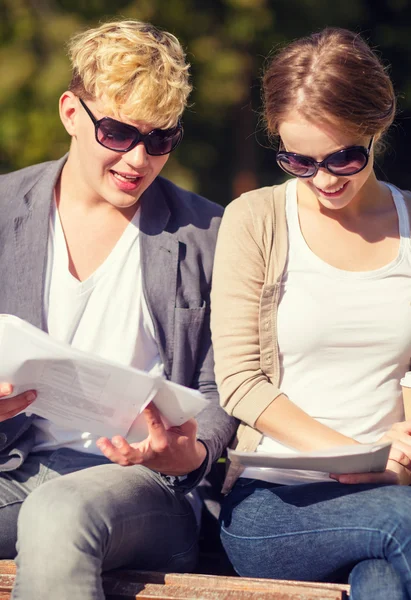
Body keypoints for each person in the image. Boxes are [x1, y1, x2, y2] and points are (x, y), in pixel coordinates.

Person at [0, 19, 236, 599]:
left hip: (147, 488)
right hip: (14, 467)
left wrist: (190, 452)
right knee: (49, 508)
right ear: (71, 114)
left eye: (160, 140)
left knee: (58, 514)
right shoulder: (5, 211)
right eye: (118, 133)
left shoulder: (210, 232)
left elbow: (225, 384)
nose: (138, 160)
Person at [211, 27, 411, 600]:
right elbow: (242, 384)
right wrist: (353, 457)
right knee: (399, 521)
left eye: (345, 157)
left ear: (379, 126)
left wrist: (398, 464)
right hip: (275, 500)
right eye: (299, 160)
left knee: (381, 579)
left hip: (393, 490)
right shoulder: (255, 219)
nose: (324, 180)